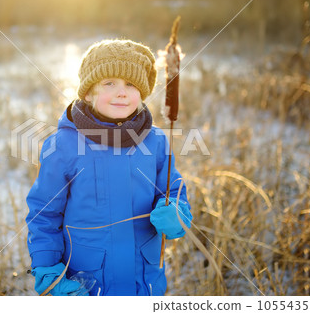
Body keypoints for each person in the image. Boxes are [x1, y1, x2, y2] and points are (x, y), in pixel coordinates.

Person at [26, 39, 192, 296]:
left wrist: (175, 212)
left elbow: (172, 189)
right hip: (88, 283)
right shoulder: (64, 145)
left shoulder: (155, 141)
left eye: (131, 84)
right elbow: (45, 215)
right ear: (88, 92)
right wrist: (48, 271)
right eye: (109, 83)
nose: (121, 92)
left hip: (143, 282)